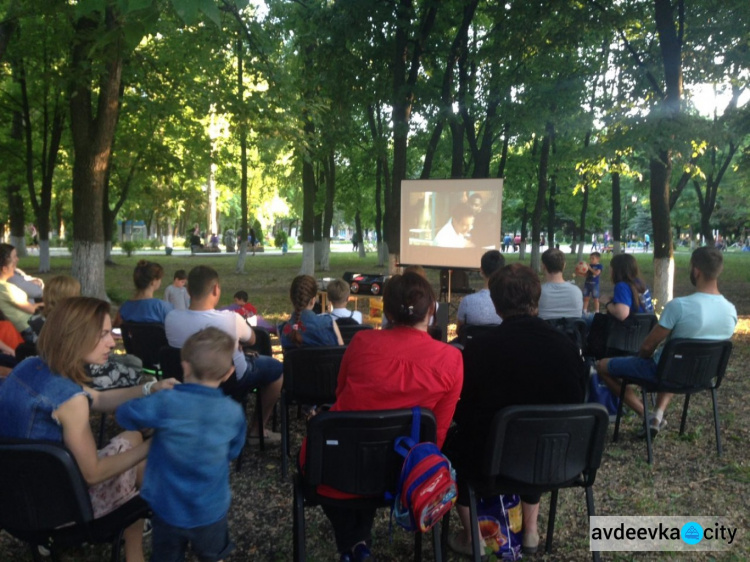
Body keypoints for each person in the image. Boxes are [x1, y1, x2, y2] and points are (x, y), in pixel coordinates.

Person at [0, 297, 178, 562]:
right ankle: (137, 546)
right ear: (76, 336)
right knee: (144, 462)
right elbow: (93, 474)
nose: (112, 341)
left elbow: (99, 399)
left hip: (13, 502)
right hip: (61, 511)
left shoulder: (29, 367)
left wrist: (149, 388)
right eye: (104, 334)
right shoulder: (69, 401)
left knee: (131, 436)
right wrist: (152, 447)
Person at [301, 271, 463, 561]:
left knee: (328, 456)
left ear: (386, 311)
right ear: (431, 312)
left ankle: (354, 543)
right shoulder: (451, 359)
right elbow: (435, 436)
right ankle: (356, 543)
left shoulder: (362, 342)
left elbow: (340, 395)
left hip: (336, 471)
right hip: (406, 475)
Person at [445, 264, 587, 556]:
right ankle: (531, 533)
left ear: (496, 305)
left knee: (448, 450)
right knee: (536, 433)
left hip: (491, 459)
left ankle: (475, 539)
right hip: (557, 457)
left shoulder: (481, 348)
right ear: (537, 298)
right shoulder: (567, 346)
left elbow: (466, 410)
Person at [116, 327, 245, 562]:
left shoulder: (166, 402)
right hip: (211, 508)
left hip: (167, 507)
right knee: (212, 555)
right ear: (228, 373)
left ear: (184, 365)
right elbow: (233, 450)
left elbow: (125, 415)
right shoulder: (233, 412)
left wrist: (149, 402)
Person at [596, 247, 737, 436]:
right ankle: (658, 414)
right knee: (676, 361)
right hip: (704, 376)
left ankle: (645, 414)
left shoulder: (679, 306)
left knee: (602, 366)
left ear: (696, 270)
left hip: (665, 373)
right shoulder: (730, 311)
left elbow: (647, 346)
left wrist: (640, 359)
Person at [165, 265, 283, 444]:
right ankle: (256, 431)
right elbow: (252, 340)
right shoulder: (230, 319)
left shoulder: (171, 318)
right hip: (231, 379)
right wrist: (236, 342)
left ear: (188, 290)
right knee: (277, 370)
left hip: (186, 379)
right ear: (215, 289)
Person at [280, 275, 344, 349]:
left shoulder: (284, 330)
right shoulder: (328, 324)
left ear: (291, 298)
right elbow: (342, 353)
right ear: (313, 300)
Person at [456, 250, 504, 334]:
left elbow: (460, 331)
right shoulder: (510, 303)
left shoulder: (467, 301)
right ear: (502, 272)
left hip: (473, 346)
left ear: (481, 271)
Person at [0, 244, 41, 338]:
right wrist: (49, 304)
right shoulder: (7, 289)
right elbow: (31, 309)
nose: (15, 269)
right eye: (13, 266)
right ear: (4, 269)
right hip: (28, 328)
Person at [115, 260, 173, 326]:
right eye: (159, 279)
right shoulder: (163, 308)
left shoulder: (124, 308)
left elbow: (116, 329)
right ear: (153, 281)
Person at [603, 253, 653, 321]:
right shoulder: (640, 283)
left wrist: (607, 302)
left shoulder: (622, 286)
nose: (610, 271)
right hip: (645, 328)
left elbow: (622, 314)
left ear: (616, 270)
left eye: (611, 268)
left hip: (629, 329)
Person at [538, 248, 584, 320]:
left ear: (543, 266)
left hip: (545, 330)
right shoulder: (576, 292)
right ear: (564, 265)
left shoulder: (538, 292)